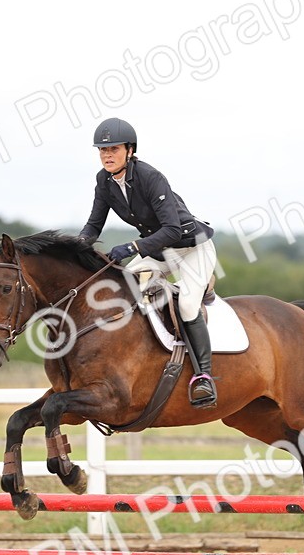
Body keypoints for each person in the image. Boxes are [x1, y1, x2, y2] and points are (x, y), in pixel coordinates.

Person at [78, 117, 219, 408]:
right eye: (102, 150)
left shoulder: (150, 177)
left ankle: (204, 377)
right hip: (159, 252)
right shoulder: (103, 181)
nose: (107, 155)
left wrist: (132, 246)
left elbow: (173, 230)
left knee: (188, 305)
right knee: (123, 288)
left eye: (113, 149)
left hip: (192, 249)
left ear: (130, 150)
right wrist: (73, 250)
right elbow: (93, 226)